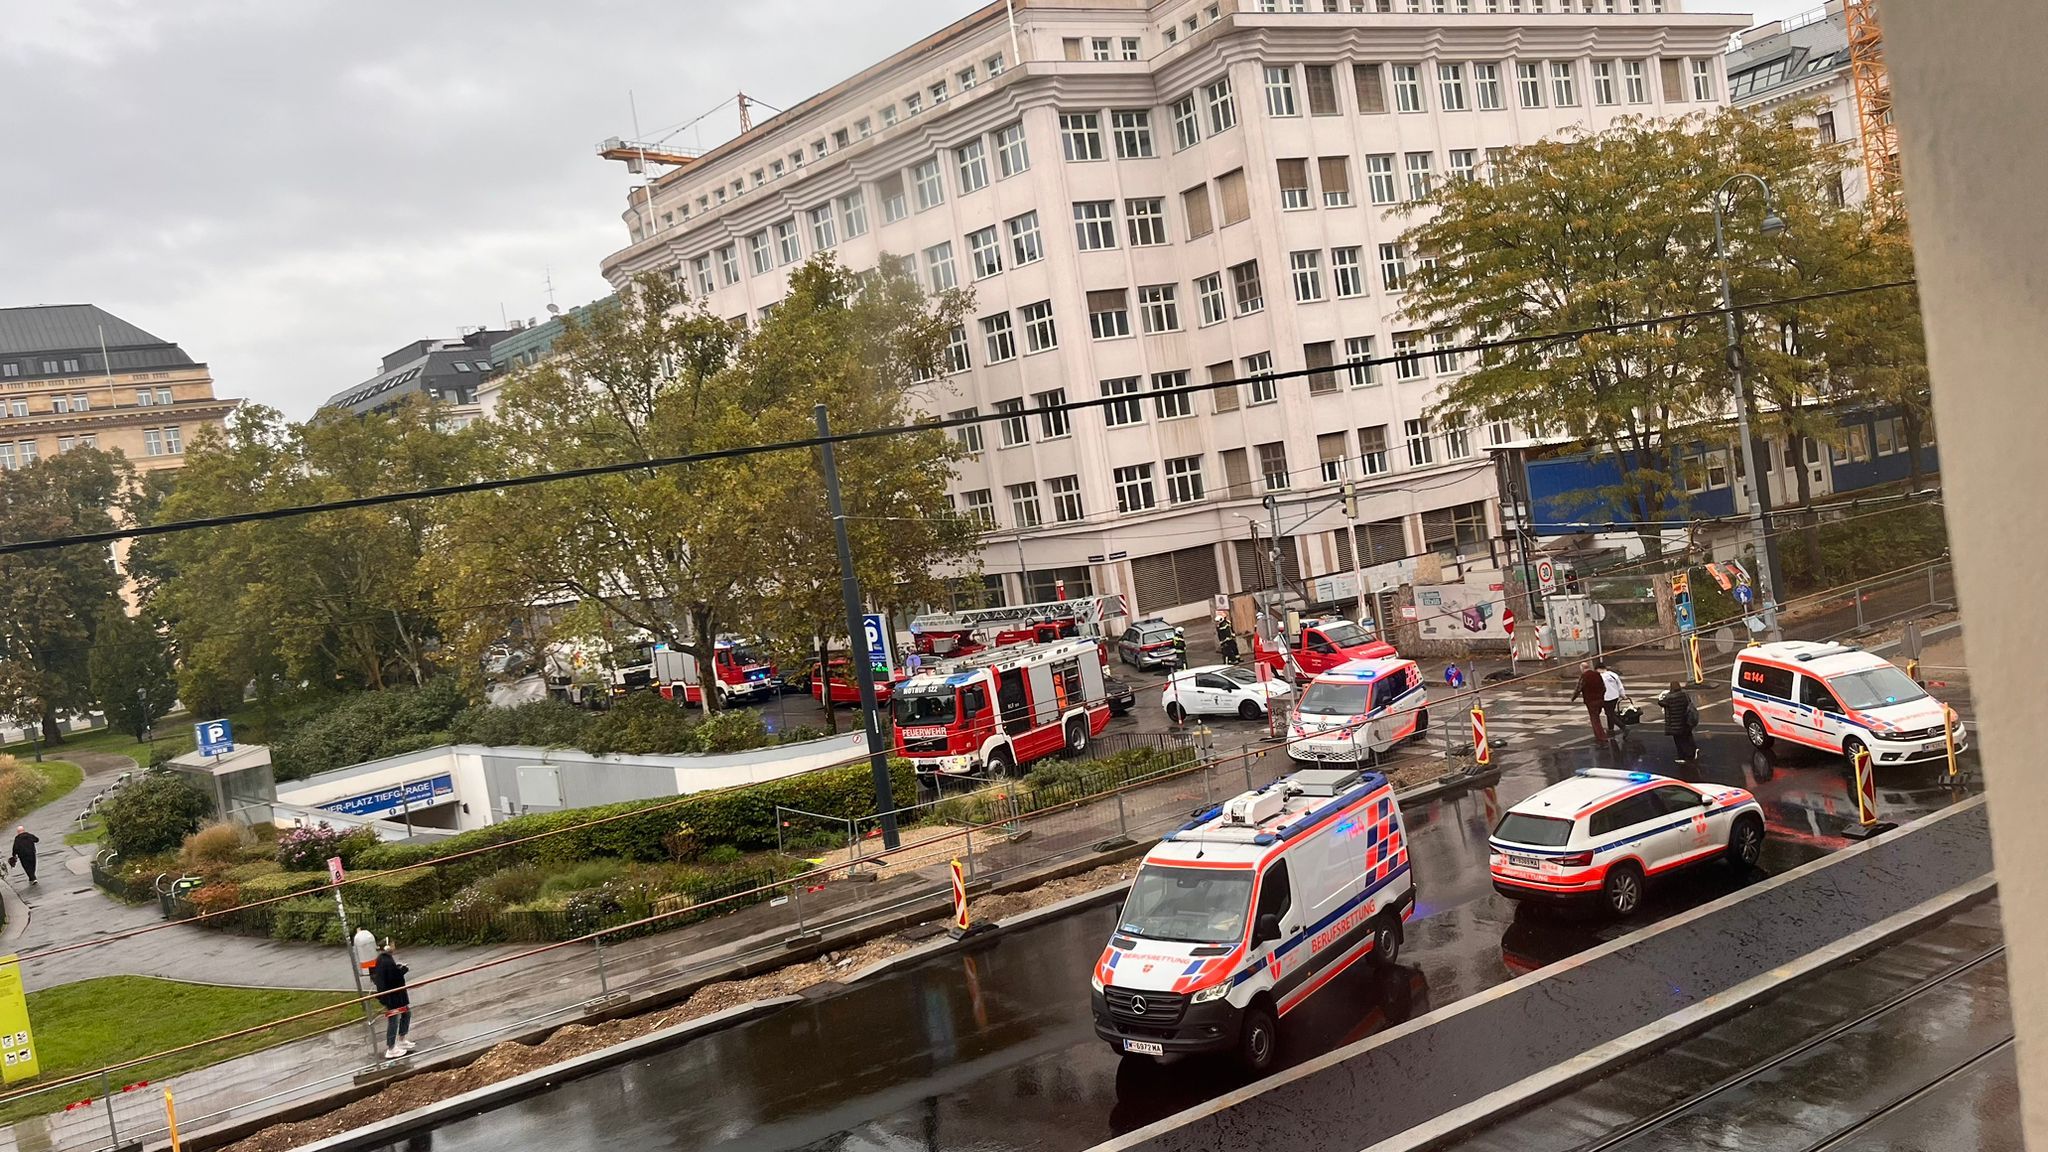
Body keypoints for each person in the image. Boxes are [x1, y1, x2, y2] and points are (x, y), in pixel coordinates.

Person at [369, 938, 414, 1059]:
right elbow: (394, 976)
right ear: (388, 947)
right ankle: (391, 1048)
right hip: (392, 997)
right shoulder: (386, 960)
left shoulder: (384, 959)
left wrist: (398, 968)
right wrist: (403, 970)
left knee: (406, 1013)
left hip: (395, 995)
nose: (394, 947)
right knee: (393, 1020)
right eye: (393, 945)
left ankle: (402, 1038)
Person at [1659, 680, 1702, 762]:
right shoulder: (1684, 695)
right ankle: (1693, 751)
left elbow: (1661, 702)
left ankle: (1683, 756)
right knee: (1688, 737)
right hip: (1686, 722)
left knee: (1679, 741)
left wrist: (1664, 695)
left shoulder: (1669, 697)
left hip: (1675, 724)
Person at [1569, 661, 1608, 741]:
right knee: (1597, 717)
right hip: (1600, 700)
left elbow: (1578, 688)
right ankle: (1601, 735)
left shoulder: (1584, 676)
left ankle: (1601, 737)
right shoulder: (1597, 674)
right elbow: (1604, 687)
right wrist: (1601, 696)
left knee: (1594, 719)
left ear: (1582, 669)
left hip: (1591, 701)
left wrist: (1573, 698)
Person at [1599, 660, 1627, 738]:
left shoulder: (1600, 676)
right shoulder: (1613, 675)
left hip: (1606, 697)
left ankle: (1623, 726)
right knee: (1610, 713)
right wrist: (1623, 695)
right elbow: (1620, 686)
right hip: (1615, 697)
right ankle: (1610, 730)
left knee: (1609, 714)